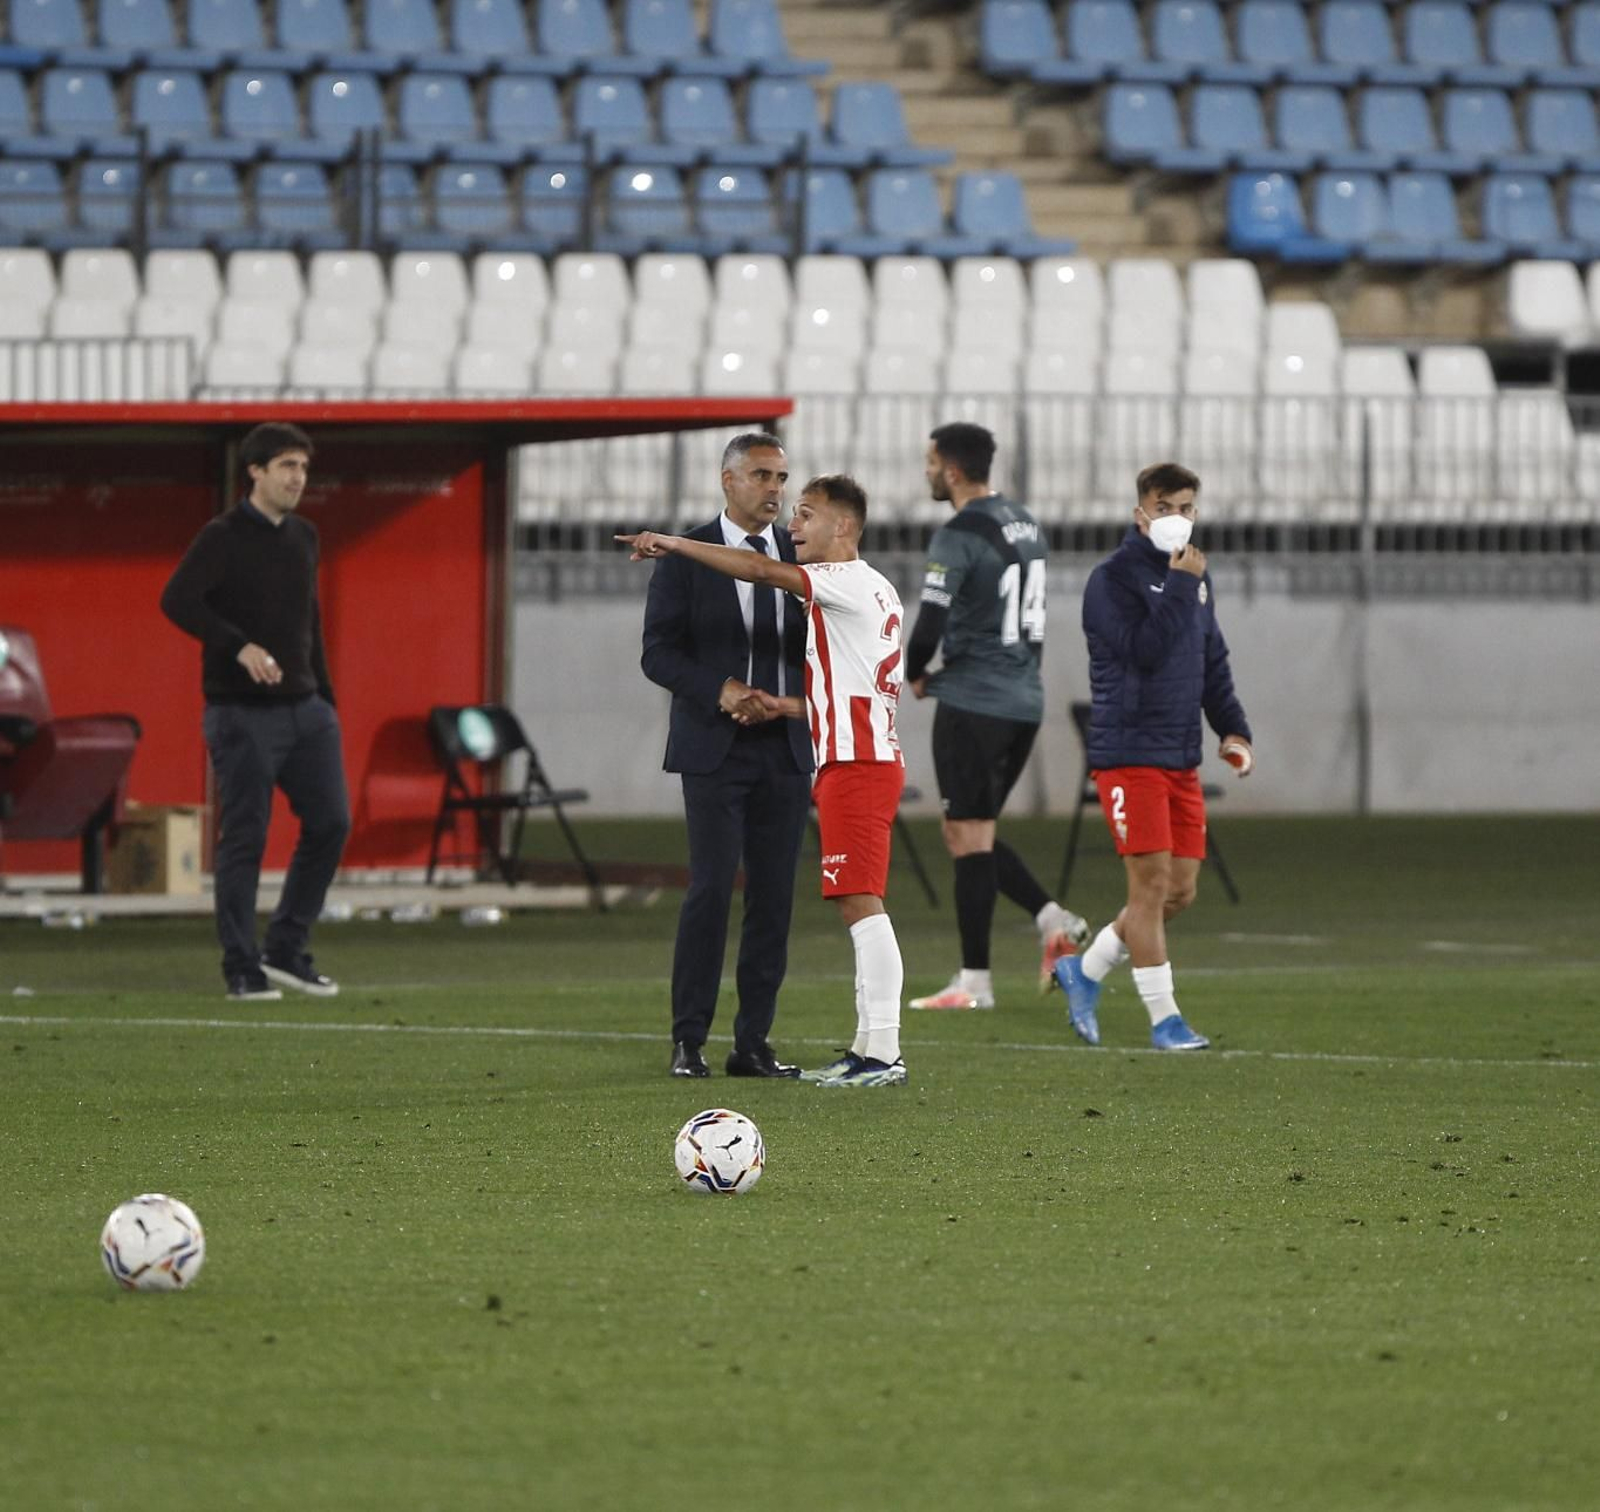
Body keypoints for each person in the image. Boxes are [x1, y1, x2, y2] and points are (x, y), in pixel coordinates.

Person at [622, 474, 909, 1088]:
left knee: (862, 906)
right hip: (857, 755)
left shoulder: (837, 582)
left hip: (854, 766)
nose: (793, 525)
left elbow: (757, 572)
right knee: (847, 901)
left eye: (806, 513)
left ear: (844, 528)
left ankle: (884, 1051)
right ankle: (866, 1047)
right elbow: (850, 692)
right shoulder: (879, 589)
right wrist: (783, 707)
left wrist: (672, 543)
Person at [1054, 462, 1254, 1051]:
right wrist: (1181, 587)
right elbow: (1143, 651)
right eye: (1166, 507)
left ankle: (1082, 972)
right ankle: (1165, 1019)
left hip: (1179, 755)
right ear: (1140, 511)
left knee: (1179, 893)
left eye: (1187, 508)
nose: (1178, 519)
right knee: (1148, 888)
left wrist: (1233, 730)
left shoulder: (1194, 579)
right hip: (1128, 751)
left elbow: (1209, 659)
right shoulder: (1111, 580)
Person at [639, 433, 813, 1080]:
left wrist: (788, 702)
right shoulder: (685, 554)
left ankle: (753, 1043)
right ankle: (688, 1039)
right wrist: (722, 691)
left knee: (773, 899)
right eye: (763, 475)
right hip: (715, 747)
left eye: (782, 477)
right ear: (728, 481)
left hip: (785, 748)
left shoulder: (802, 556)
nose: (775, 489)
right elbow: (657, 652)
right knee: (710, 891)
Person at [160, 422, 350, 1001]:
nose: (298, 478)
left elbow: (308, 621)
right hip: (242, 715)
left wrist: (325, 698)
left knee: (331, 823)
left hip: (306, 709)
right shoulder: (222, 536)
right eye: (287, 466)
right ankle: (242, 967)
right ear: (256, 472)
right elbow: (177, 600)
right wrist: (237, 645)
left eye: (303, 468)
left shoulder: (305, 537)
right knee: (246, 838)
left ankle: (286, 949)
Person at [903, 421, 1089, 1012]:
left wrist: (913, 671)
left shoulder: (957, 535)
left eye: (932, 462)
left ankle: (975, 982)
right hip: (1022, 702)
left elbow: (930, 622)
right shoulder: (1026, 522)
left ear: (952, 470)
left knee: (969, 836)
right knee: (968, 835)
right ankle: (1050, 919)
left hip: (973, 702)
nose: (928, 471)